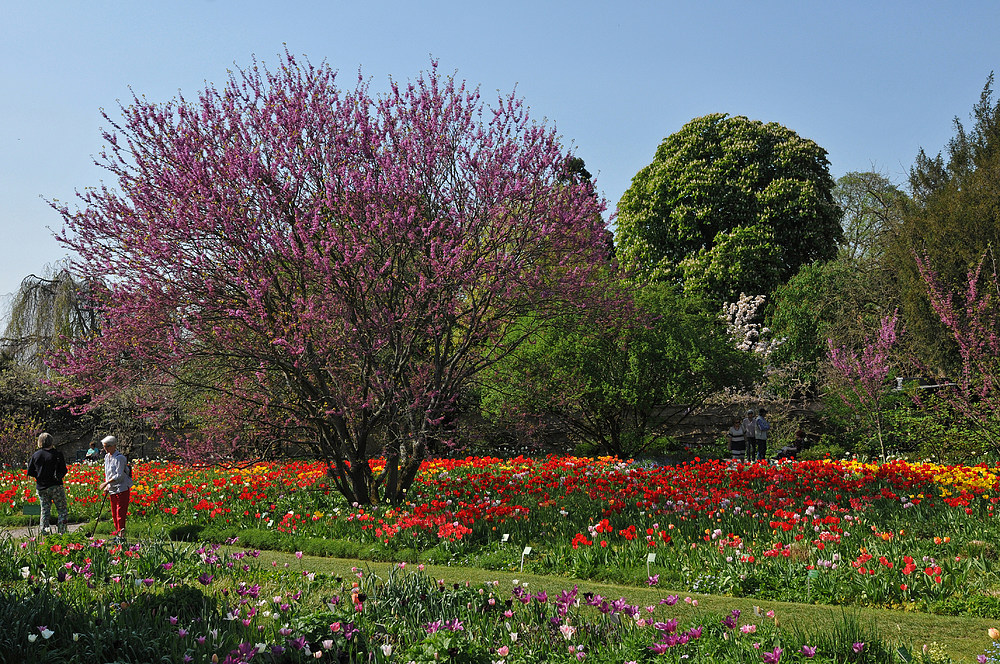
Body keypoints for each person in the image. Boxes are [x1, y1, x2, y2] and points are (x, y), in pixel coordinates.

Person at [26, 432, 69, 535]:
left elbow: (30, 471)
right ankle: (62, 532)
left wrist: (39, 476)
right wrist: (58, 477)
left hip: (42, 487)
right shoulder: (57, 454)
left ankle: (45, 533)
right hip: (55, 486)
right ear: (51, 441)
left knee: (45, 511)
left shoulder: (36, 455)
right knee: (62, 510)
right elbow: (64, 470)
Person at [98, 435, 132, 542]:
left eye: (107, 446)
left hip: (122, 488)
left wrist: (106, 483)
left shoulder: (120, 458)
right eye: (104, 447)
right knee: (114, 513)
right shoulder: (107, 457)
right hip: (112, 488)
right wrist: (108, 486)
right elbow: (108, 473)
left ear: (114, 446)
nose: (105, 449)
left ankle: (121, 536)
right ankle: (117, 534)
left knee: (120, 513)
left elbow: (119, 475)